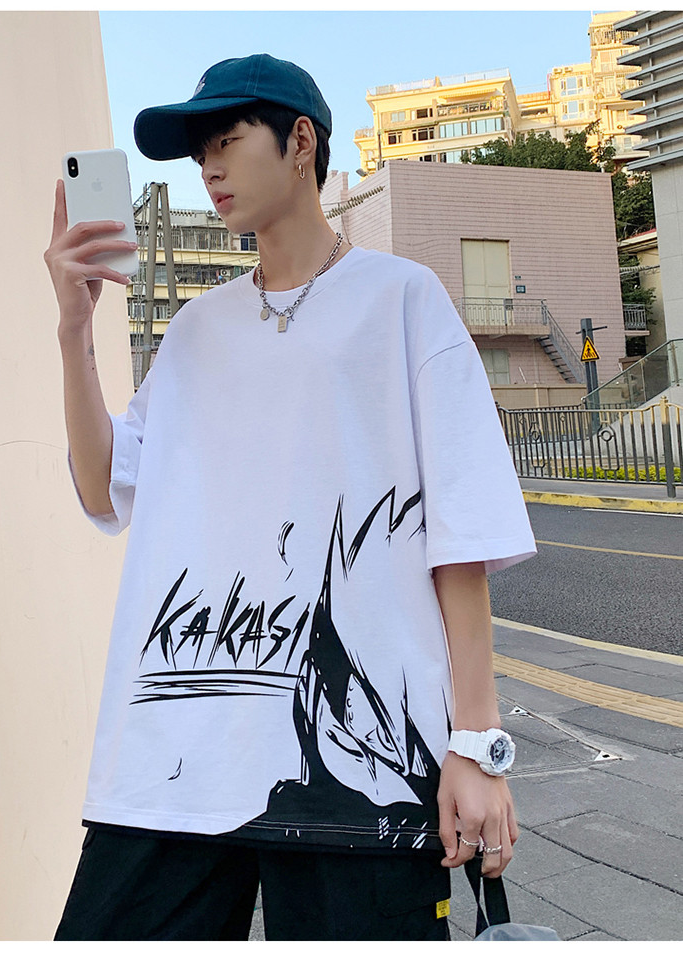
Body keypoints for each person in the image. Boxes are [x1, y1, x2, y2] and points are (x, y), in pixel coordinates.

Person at [44, 53, 536, 941]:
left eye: (226, 141)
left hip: (364, 759)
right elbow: (103, 482)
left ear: (300, 140)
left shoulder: (403, 300)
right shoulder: (196, 330)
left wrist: (475, 744)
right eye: (200, 152)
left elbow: (458, 536)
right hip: (178, 749)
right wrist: (75, 326)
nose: (209, 168)